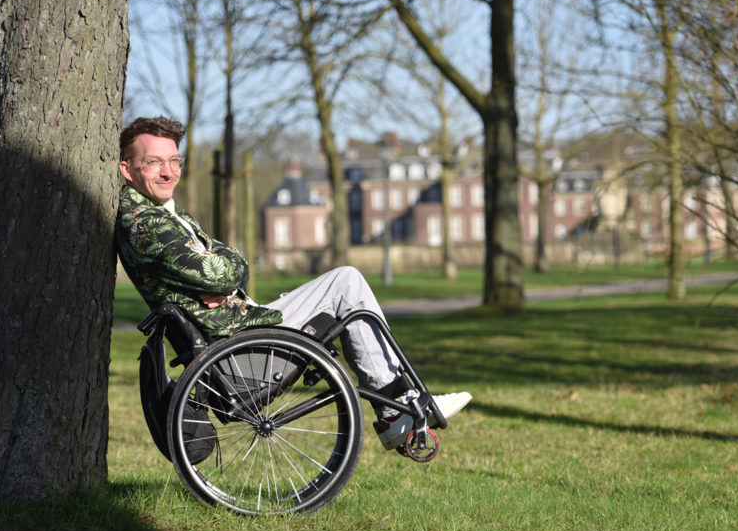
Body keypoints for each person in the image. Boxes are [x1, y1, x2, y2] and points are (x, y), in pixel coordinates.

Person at [115, 116, 471, 449]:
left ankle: (398, 404)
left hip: (236, 332)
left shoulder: (164, 214)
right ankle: (398, 408)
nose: (168, 172)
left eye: (175, 161)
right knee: (346, 282)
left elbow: (231, 263)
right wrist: (225, 273)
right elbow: (225, 272)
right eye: (154, 163)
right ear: (127, 169)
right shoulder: (147, 224)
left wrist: (226, 273)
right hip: (237, 351)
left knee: (345, 284)